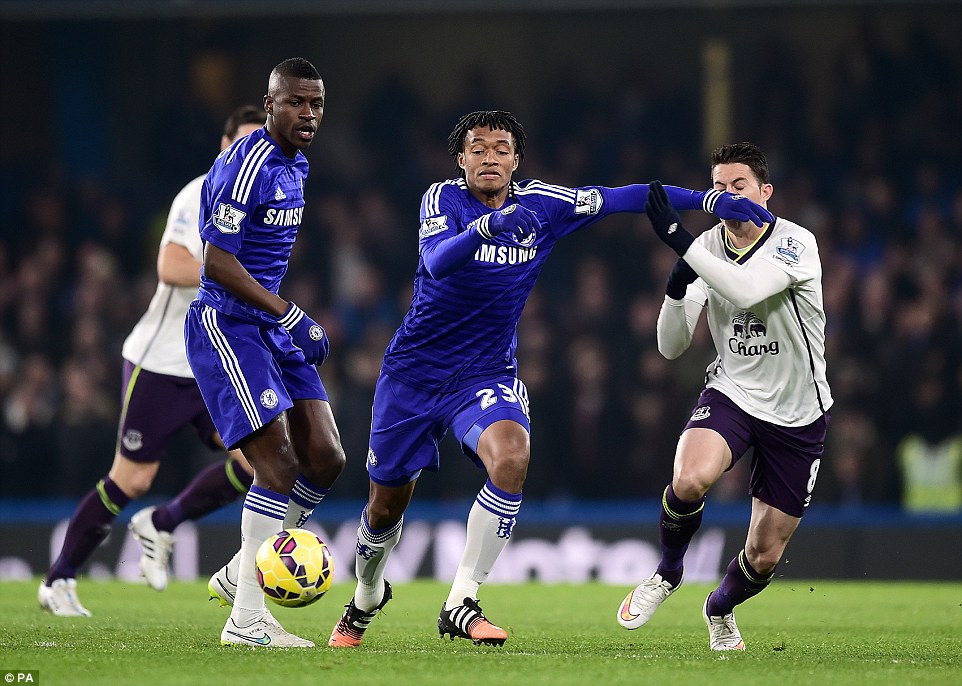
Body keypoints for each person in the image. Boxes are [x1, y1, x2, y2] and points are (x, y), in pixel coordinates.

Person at [327, 111, 774, 648]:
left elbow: (627, 196)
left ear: (517, 161)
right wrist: (484, 229)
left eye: (500, 148)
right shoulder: (441, 200)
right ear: (460, 159)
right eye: (477, 148)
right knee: (384, 506)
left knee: (512, 456)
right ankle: (367, 595)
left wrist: (710, 201)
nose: (489, 156)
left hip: (485, 373)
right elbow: (437, 261)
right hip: (413, 376)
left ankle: (461, 600)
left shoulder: (543, 204)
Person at [37, 105, 266, 618]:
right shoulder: (200, 192)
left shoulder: (264, 206)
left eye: (261, 145)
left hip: (213, 364)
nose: (253, 154)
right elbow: (171, 264)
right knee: (132, 479)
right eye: (244, 143)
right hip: (161, 362)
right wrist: (230, 271)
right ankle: (58, 579)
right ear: (225, 145)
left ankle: (161, 524)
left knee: (258, 465)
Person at [616, 142, 833, 651]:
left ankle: (719, 607)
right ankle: (667, 572)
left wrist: (677, 241)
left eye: (739, 186)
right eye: (718, 187)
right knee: (689, 479)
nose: (728, 195)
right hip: (733, 390)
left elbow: (747, 291)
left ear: (764, 192)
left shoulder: (795, 241)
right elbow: (670, 348)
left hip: (799, 410)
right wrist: (673, 294)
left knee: (764, 553)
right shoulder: (707, 246)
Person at [184, 57, 345, 649]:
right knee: (276, 464)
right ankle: (247, 619)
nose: (309, 114)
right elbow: (216, 263)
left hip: (268, 324)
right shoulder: (246, 165)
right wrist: (288, 312)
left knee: (326, 457)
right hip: (227, 323)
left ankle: (242, 567)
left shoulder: (297, 164)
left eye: (318, 104)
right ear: (270, 102)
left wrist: (281, 314)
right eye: (297, 103)